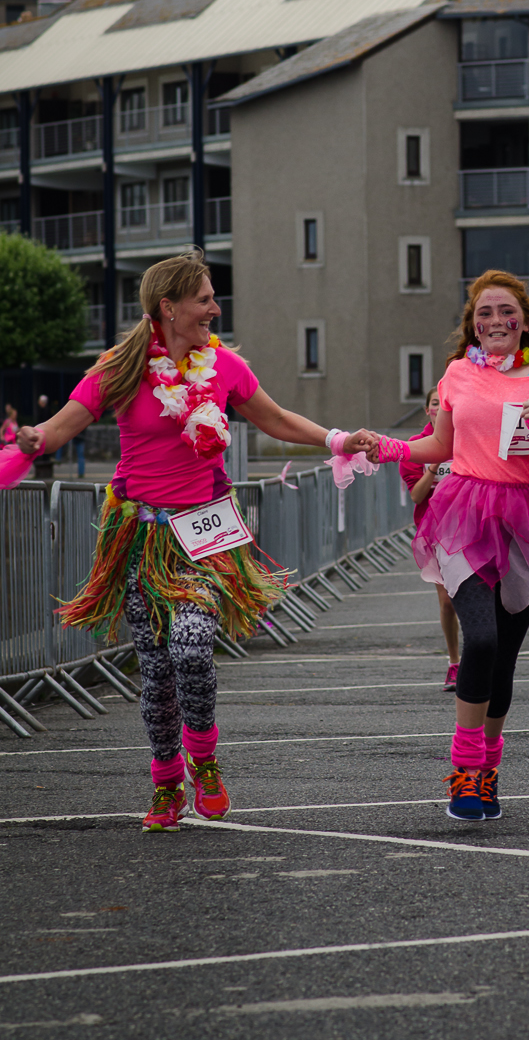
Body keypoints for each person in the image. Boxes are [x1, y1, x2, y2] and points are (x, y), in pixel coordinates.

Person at [14, 250, 375, 833]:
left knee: (190, 645)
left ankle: (203, 759)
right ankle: (165, 782)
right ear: (169, 307)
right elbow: (61, 428)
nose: (214, 307)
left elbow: (276, 419)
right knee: (155, 671)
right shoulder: (118, 368)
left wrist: (338, 439)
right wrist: (30, 440)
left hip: (204, 531)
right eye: (204, 298)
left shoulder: (225, 366)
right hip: (138, 535)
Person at [372, 270, 529, 822]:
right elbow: (441, 443)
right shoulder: (456, 373)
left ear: (525, 321)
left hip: (527, 515)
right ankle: (465, 776)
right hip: (466, 512)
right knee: (484, 639)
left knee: (506, 661)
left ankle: (488, 777)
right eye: (484, 313)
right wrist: (389, 448)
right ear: (472, 323)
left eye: (505, 312)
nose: (495, 321)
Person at [399, 387, 460, 691]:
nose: (439, 408)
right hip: (434, 530)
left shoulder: (468, 439)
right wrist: (434, 465)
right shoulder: (414, 447)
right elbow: (416, 495)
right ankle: (454, 662)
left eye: (444, 404)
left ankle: (484, 659)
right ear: (428, 411)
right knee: (448, 601)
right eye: (435, 404)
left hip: (471, 526)